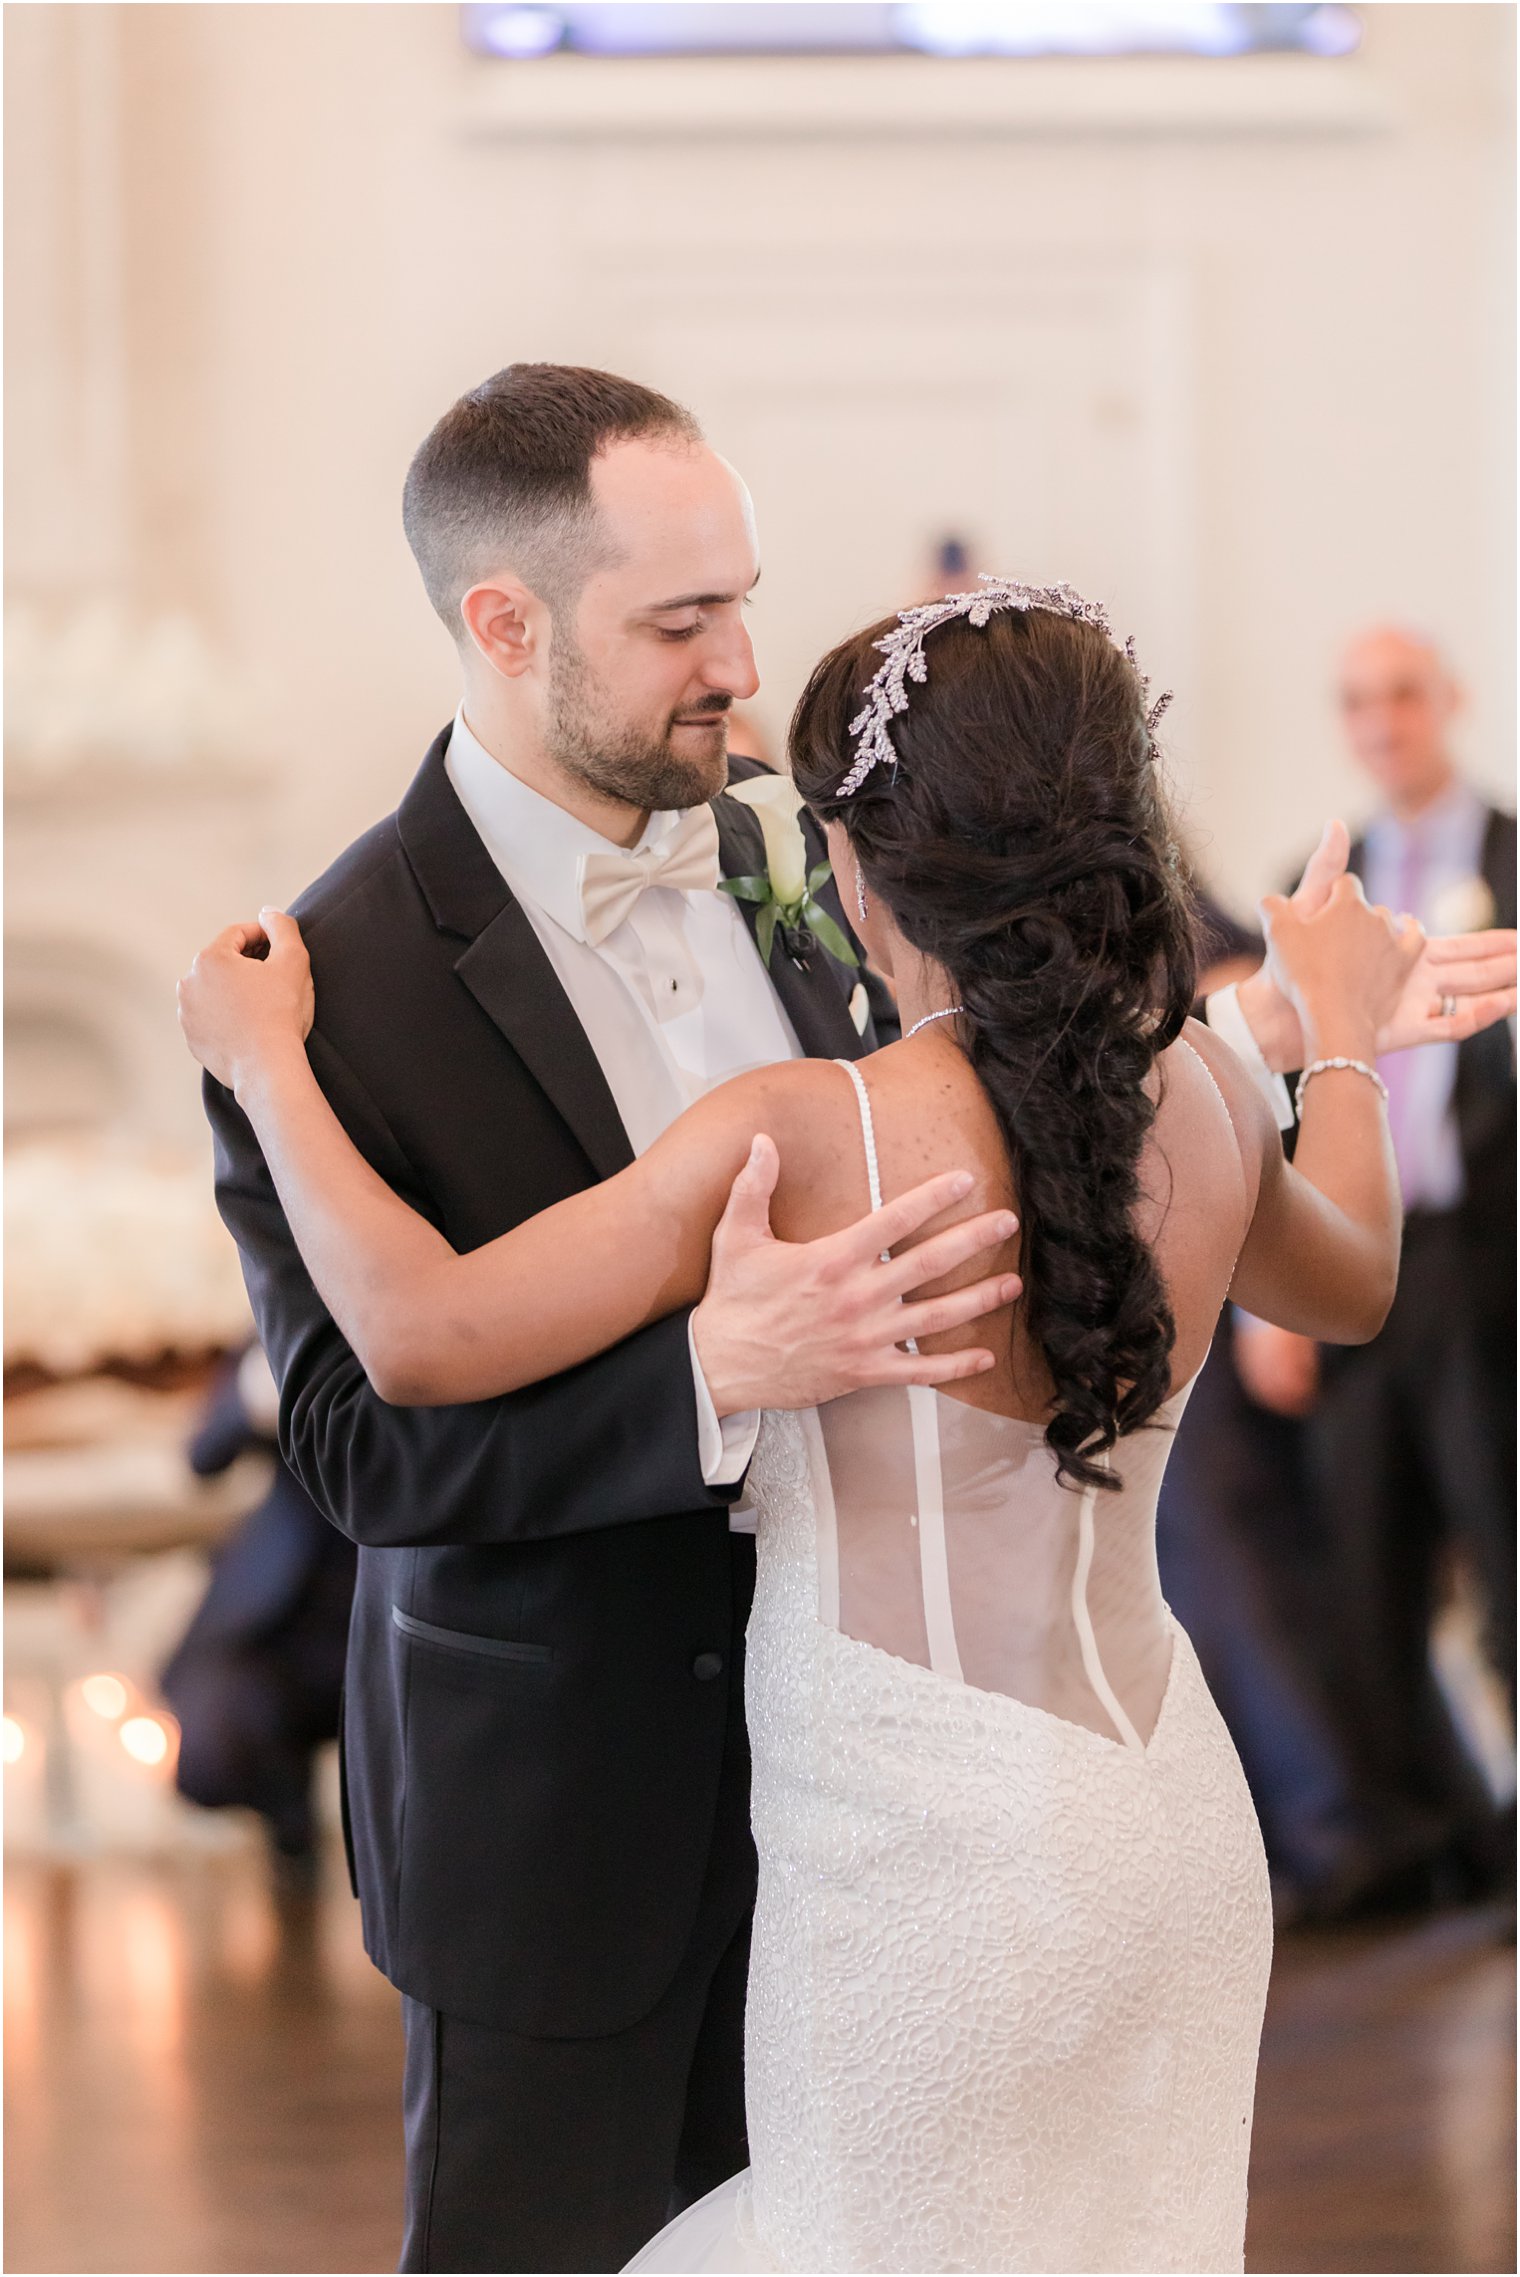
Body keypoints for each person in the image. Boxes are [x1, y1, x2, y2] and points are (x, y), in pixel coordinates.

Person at [192, 364, 1516, 2274]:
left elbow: (452, 1313)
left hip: (907, 1846)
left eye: (744, 599)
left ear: (887, 868)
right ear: (505, 619)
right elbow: (355, 1430)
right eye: (681, 620)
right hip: (613, 1834)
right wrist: (707, 1381)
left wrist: (1271, 1039)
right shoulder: (345, 971)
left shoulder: (793, 898)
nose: (739, 660)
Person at [1245, 626, 1516, 1905]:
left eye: (1401, 694)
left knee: (1503, 1563)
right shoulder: (1307, 899)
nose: (1380, 721)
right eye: (1355, 700)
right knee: (1361, 1568)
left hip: (1480, 1265)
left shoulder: (1510, 861)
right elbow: (1268, 1102)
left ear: (1445, 702)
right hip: (1358, 1261)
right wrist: (1272, 1294)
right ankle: (1418, 1849)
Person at [161, 1341, 356, 1889]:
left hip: (398, 1599)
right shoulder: (282, 1315)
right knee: (212, 1738)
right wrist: (251, 1391)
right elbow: (204, 1455)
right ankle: (291, 1829)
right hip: (287, 1615)